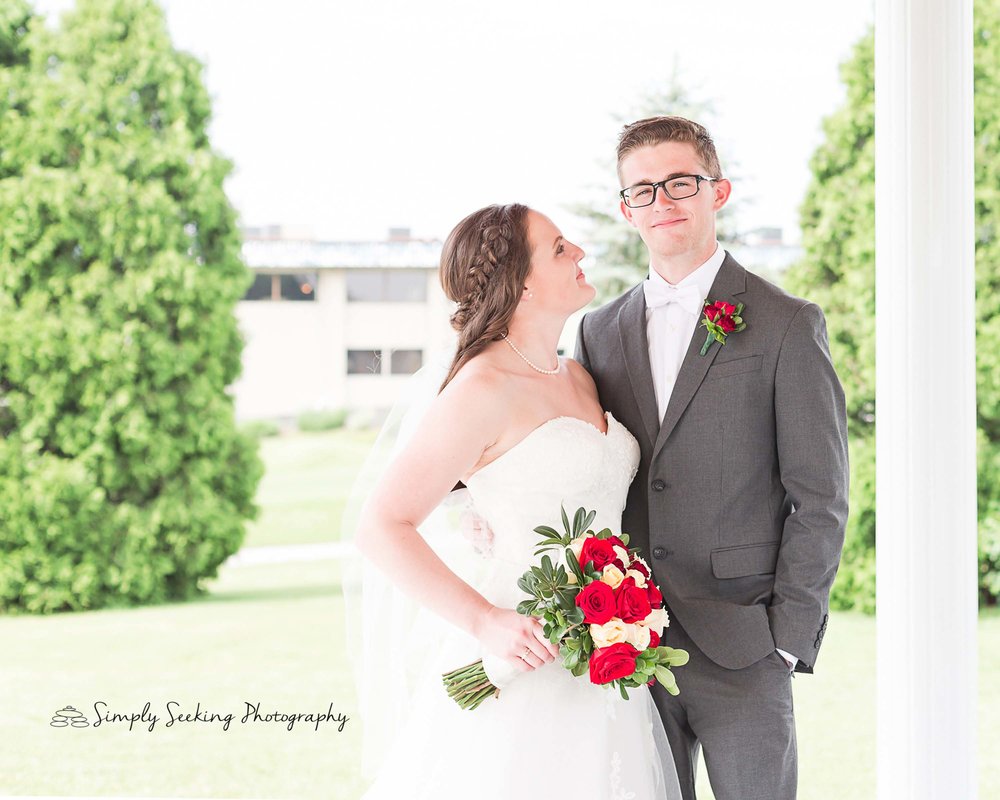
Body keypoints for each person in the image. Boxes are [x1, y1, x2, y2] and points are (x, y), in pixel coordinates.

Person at [352, 203, 683, 799]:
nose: (579, 251)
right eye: (559, 247)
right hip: (523, 654)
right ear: (521, 281)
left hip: (604, 661)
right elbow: (381, 525)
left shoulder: (578, 376)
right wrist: (486, 621)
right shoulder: (481, 388)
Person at [575, 116, 850, 800]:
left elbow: (820, 497)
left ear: (717, 191)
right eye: (643, 190)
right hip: (628, 646)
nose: (662, 201)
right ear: (625, 209)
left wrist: (787, 636)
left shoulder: (787, 323)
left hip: (745, 646)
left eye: (679, 182)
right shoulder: (597, 331)